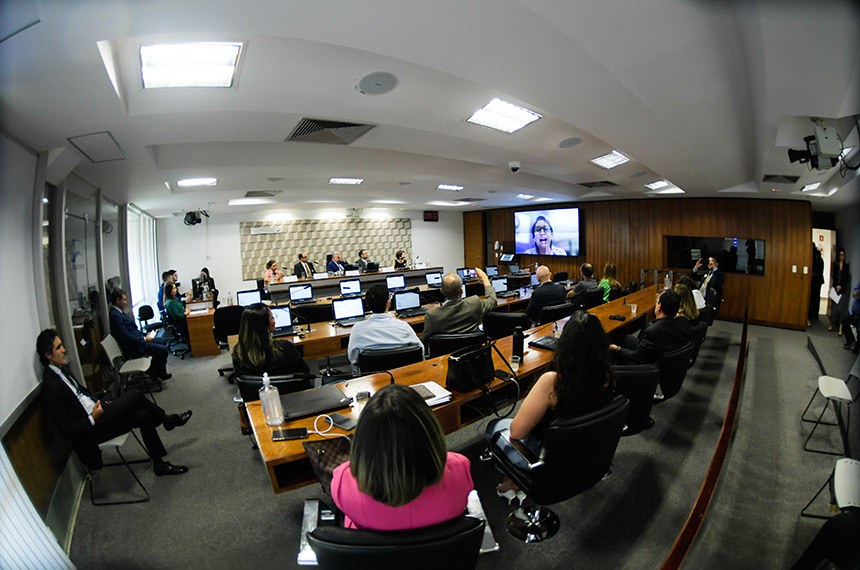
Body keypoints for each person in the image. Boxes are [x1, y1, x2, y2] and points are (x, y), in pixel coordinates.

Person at [485, 312, 615, 497]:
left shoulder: (554, 382)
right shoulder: (607, 374)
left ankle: (517, 476)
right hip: (583, 451)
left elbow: (517, 432)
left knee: (495, 426)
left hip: (549, 458)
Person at [37, 329, 191, 475]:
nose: (64, 350)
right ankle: (167, 420)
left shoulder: (62, 370)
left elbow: (82, 396)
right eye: (58, 348)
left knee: (144, 415)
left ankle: (159, 464)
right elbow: (67, 429)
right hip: (91, 431)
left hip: (100, 412)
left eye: (62, 345)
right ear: (47, 354)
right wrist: (93, 417)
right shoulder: (50, 387)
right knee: (135, 395)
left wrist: (102, 402)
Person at [331, 383, 472, 530]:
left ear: (363, 438)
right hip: (442, 552)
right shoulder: (461, 468)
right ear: (431, 432)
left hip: (373, 551)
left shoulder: (341, 481)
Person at [347, 284, 423, 374]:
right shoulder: (403, 327)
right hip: (402, 377)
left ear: (367, 304)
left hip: (371, 379)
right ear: (389, 303)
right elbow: (420, 350)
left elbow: (353, 359)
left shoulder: (357, 330)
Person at [610, 289, 691, 364]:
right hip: (668, 362)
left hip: (647, 368)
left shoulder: (653, 331)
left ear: (659, 306)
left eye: (657, 301)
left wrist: (617, 349)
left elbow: (636, 358)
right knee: (626, 338)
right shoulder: (683, 322)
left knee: (614, 351)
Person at [108, 288, 171, 380]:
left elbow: (132, 329)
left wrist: (144, 336)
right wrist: (144, 339)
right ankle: (153, 371)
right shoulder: (115, 316)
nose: (126, 302)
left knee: (162, 341)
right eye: (124, 300)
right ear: (118, 300)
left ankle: (157, 371)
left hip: (138, 339)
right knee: (163, 350)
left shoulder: (119, 313)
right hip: (134, 346)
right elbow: (126, 337)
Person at [232, 303, 309, 376]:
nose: (274, 321)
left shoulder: (237, 354)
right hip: (292, 389)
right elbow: (305, 372)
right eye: (272, 317)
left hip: (256, 390)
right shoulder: (285, 348)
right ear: (265, 325)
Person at [423, 267, 496, 341]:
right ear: (461, 291)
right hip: (472, 349)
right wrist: (485, 278)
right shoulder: (475, 303)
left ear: (441, 291)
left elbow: (426, 340)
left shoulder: (432, 315)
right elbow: (492, 301)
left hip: (446, 351)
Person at [829, 247, 851, 334]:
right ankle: (831, 323)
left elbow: (845, 278)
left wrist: (841, 286)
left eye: (843, 255)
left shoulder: (846, 265)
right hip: (835, 288)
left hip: (843, 289)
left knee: (842, 309)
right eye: (840, 255)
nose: (842, 256)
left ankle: (841, 327)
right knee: (834, 308)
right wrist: (836, 286)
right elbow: (833, 276)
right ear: (838, 255)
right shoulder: (836, 264)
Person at [840, 279, 859, 353]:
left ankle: (856, 348)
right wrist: (857, 293)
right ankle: (851, 341)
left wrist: (857, 293)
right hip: (854, 315)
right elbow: (854, 293)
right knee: (844, 320)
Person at [809, 244, 825, 327]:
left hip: (818, 281)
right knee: (812, 297)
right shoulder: (812, 258)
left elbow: (820, 272)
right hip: (813, 281)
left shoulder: (820, 260)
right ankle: (812, 314)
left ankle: (815, 314)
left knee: (816, 297)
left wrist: (813, 274)